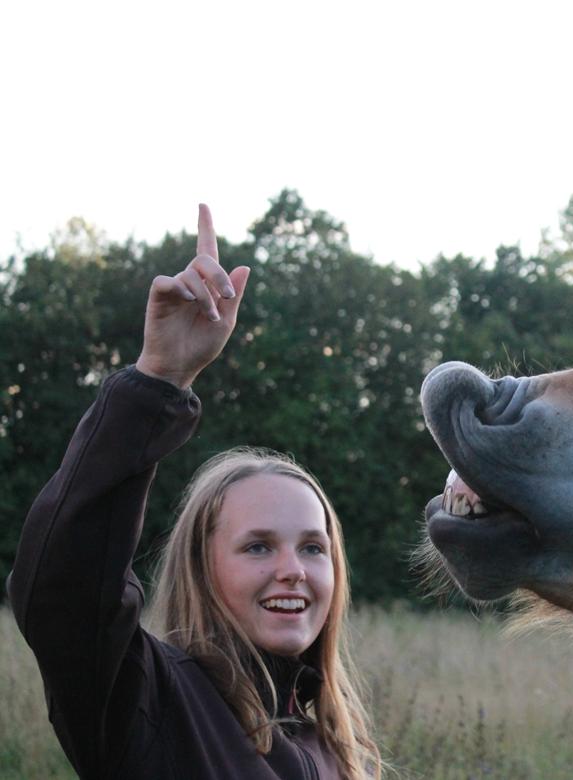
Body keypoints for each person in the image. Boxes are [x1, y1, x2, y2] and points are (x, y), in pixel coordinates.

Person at [7, 205, 381, 779]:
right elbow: (65, 591)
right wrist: (158, 378)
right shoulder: (152, 702)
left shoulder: (332, 740)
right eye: (257, 546)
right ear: (202, 568)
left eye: (312, 546)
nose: (294, 570)